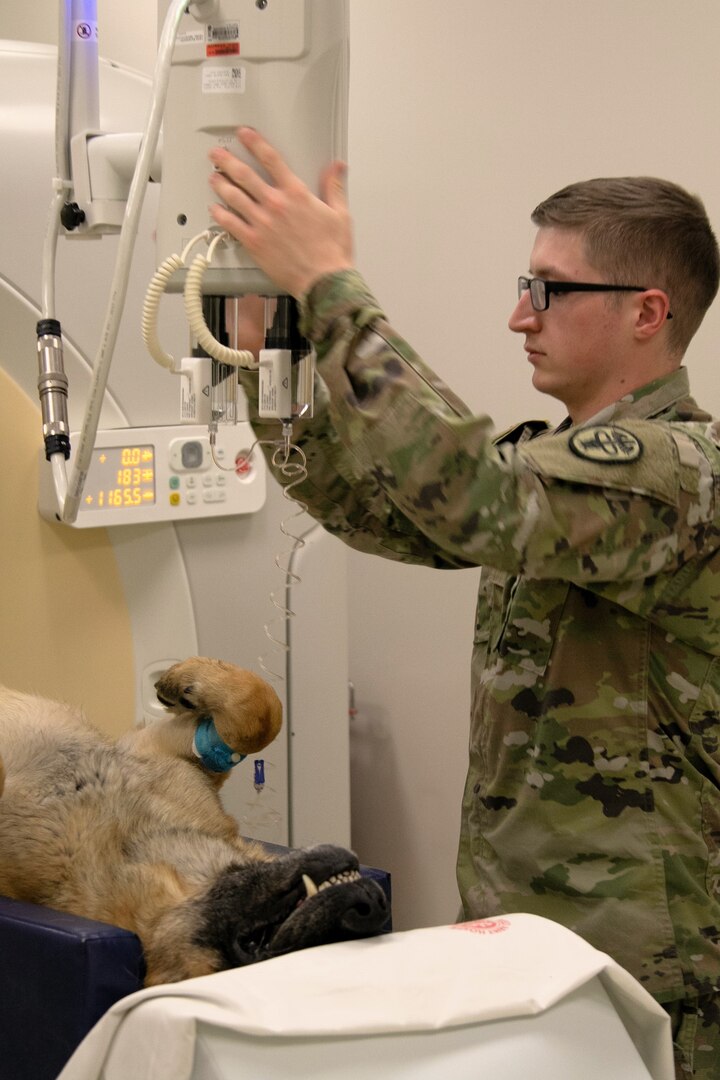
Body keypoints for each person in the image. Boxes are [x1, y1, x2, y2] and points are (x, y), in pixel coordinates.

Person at [209, 127, 720, 1078]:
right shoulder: (562, 469)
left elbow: (475, 492)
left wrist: (333, 290)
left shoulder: (676, 473)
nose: (520, 316)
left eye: (548, 289)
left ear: (648, 311)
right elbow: (380, 512)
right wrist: (267, 366)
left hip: (644, 960)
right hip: (526, 930)